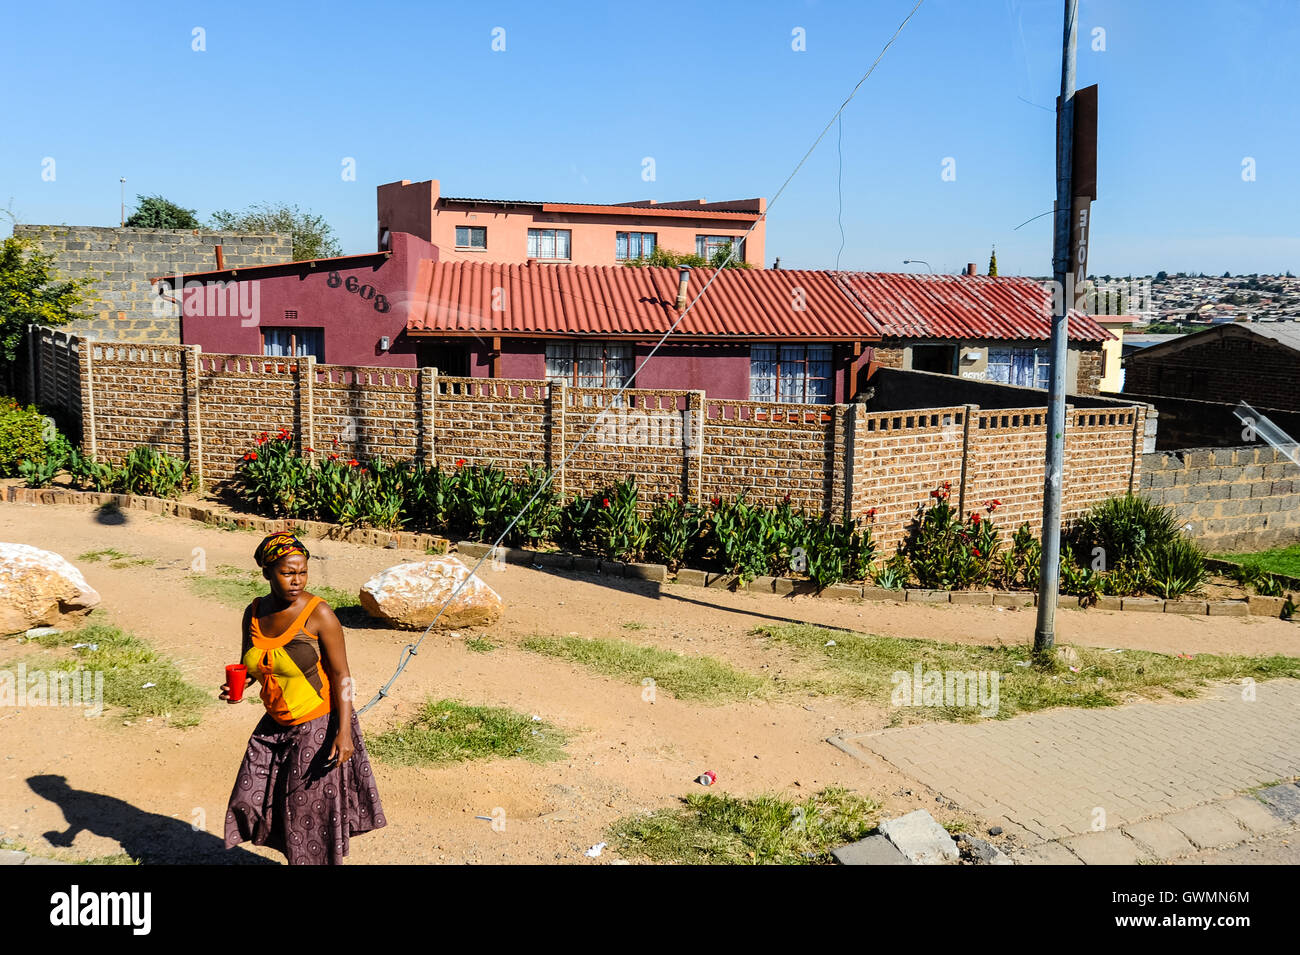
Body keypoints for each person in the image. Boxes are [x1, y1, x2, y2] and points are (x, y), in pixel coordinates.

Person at [221, 532, 386, 864]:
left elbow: (342, 675)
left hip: (318, 726)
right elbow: (252, 663)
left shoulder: (318, 614)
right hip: (274, 726)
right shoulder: (253, 613)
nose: (296, 580)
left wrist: (343, 733)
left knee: (310, 817)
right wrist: (240, 685)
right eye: (287, 572)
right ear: (267, 572)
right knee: (253, 800)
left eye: (302, 572)